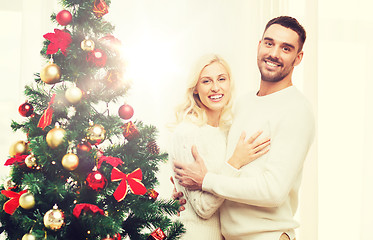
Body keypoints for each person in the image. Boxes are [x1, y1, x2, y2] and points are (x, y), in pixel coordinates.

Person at [173, 16, 315, 240]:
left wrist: (206, 181)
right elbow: (229, 170)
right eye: (269, 43)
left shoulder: (296, 109)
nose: (274, 54)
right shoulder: (243, 104)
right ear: (259, 46)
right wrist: (188, 194)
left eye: (286, 48)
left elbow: (273, 191)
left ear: (298, 58)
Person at [168, 54, 270, 240]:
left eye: (221, 79)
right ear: (196, 89)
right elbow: (203, 208)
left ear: (229, 83)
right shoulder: (187, 132)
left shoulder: (227, 132)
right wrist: (235, 162)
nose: (216, 87)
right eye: (206, 81)